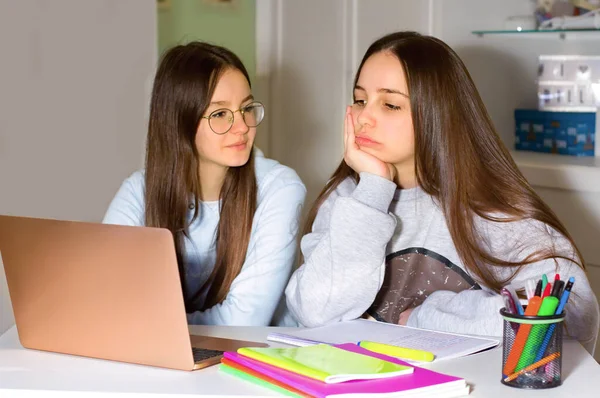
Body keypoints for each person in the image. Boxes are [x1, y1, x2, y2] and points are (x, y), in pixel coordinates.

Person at [284, 31, 599, 353]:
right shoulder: (350, 196)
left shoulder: (492, 209)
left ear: (438, 113)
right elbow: (316, 313)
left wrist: (426, 318)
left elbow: (565, 318)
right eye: (361, 99)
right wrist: (374, 191)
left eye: (390, 104)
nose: (364, 117)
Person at [104, 42, 306, 326]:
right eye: (220, 114)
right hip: (169, 357)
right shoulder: (139, 191)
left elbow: (245, 321)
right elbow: (106, 297)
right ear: (179, 122)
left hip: (257, 358)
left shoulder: (279, 188)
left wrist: (152, 325)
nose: (243, 127)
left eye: (246, 108)